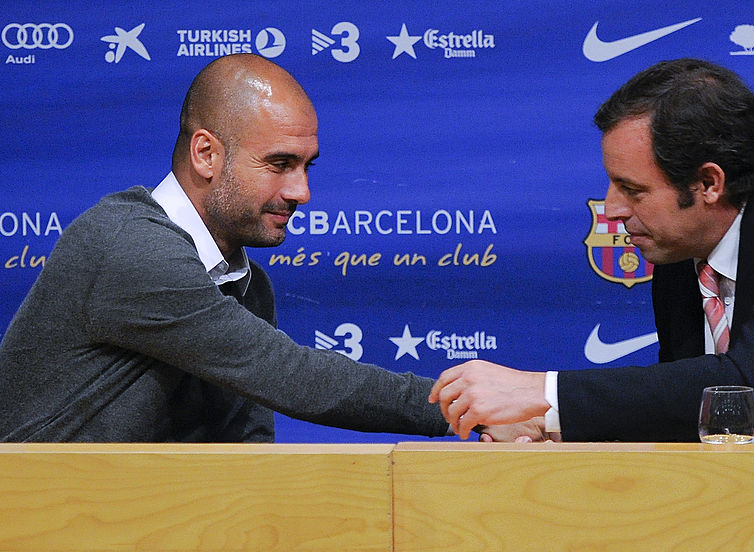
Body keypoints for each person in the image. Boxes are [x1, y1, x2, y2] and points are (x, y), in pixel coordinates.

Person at [430, 58, 754, 443]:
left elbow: (742, 390)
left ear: (708, 183)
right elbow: (684, 412)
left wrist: (540, 392)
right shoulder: (679, 245)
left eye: (633, 189)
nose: (612, 209)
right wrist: (549, 425)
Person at [0, 54, 449, 442]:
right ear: (206, 154)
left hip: (150, 512)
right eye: (279, 164)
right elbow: (289, 374)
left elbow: (246, 452)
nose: (301, 192)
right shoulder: (130, 245)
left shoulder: (248, 286)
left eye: (306, 167)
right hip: (35, 512)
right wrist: (456, 407)